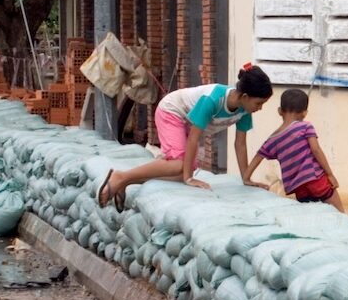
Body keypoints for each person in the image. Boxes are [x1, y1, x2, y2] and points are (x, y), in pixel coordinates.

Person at [97, 64, 274, 208]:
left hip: (188, 123)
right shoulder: (213, 99)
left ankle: (126, 181)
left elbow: (240, 144)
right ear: (244, 96)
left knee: (179, 172)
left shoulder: (245, 110)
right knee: (180, 166)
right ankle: (120, 177)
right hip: (172, 111)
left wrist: (246, 178)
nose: (260, 108)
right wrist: (189, 178)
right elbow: (194, 139)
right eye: (259, 103)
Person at [250, 89, 343, 211]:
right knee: (340, 213)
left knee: (311, 217)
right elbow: (316, 150)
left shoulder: (273, 139)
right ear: (304, 113)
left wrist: (247, 178)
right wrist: (330, 175)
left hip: (299, 189)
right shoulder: (305, 126)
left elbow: (258, 156)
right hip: (316, 180)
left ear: (279, 111)